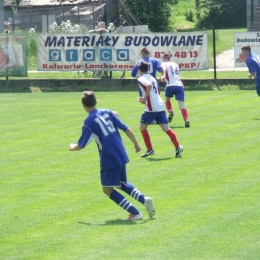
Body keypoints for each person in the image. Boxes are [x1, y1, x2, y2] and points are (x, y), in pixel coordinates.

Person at [69, 91, 155, 220]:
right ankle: (143, 199)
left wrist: (72, 147)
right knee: (121, 183)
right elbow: (125, 128)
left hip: (109, 157)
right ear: (96, 102)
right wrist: (136, 144)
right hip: (121, 152)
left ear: (83, 105)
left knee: (107, 189)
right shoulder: (107, 112)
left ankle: (135, 213)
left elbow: (81, 145)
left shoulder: (89, 122)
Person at [137, 61, 184, 158]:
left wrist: (145, 98)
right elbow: (156, 90)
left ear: (139, 70)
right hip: (160, 105)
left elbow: (149, 86)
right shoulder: (152, 77)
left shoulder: (141, 78)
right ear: (148, 69)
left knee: (142, 127)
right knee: (166, 129)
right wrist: (146, 97)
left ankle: (150, 149)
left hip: (151, 107)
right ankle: (178, 146)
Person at [158, 54, 190, 127]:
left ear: (164, 59)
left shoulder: (164, 64)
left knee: (167, 99)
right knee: (181, 105)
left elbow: (165, 73)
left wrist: (162, 78)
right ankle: (186, 119)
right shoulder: (175, 64)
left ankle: (170, 111)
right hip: (179, 85)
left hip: (170, 86)